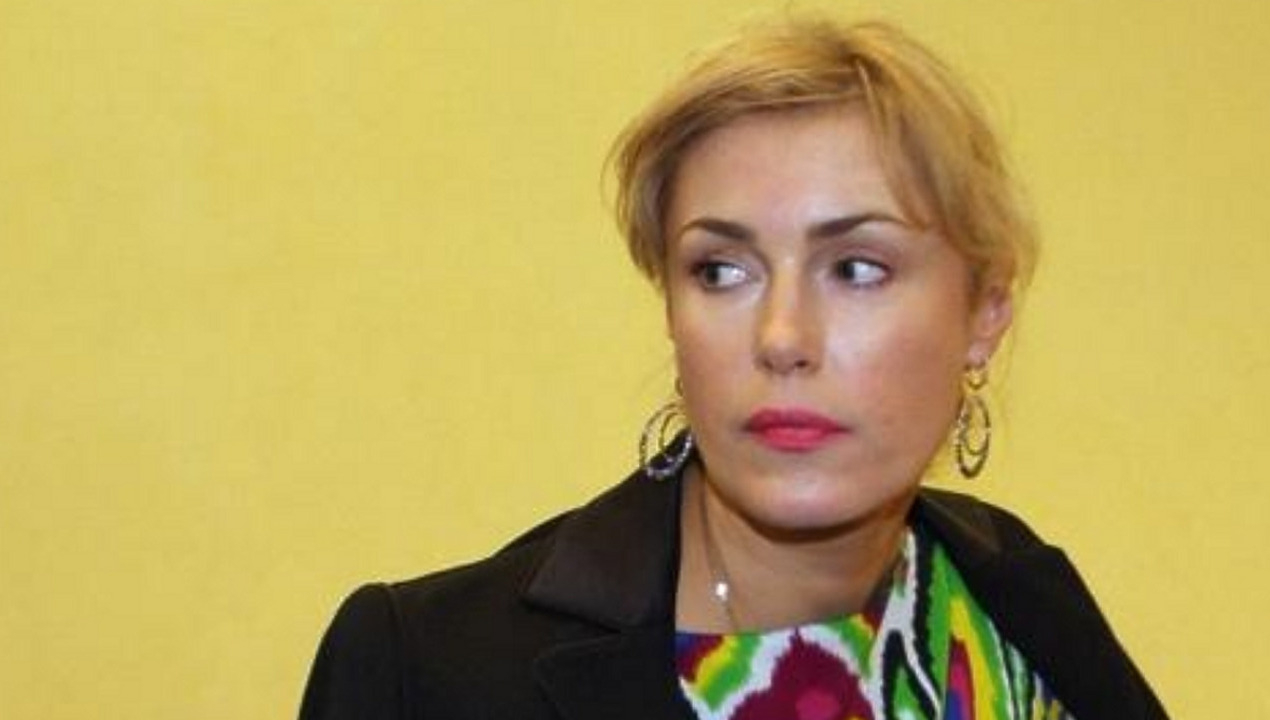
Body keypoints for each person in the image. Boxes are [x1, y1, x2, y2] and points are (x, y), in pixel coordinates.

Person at [299, 17, 1166, 720]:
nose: (782, 336)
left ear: (985, 314)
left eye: (856, 267)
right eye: (721, 271)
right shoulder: (425, 671)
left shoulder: (1023, 603)